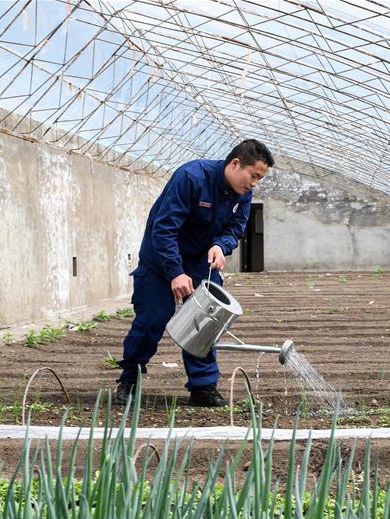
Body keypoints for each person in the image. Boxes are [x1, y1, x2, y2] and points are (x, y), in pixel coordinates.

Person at [115, 139, 274, 406]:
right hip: (160, 259)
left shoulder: (243, 194)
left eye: (260, 178)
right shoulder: (190, 177)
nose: (255, 183)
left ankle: (203, 387)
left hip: (202, 263)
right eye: (254, 175)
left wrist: (220, 246)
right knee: (153, 317)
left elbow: (235, 229)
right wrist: (175, 272)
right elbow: (164, 228)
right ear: (235, 164)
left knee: (206, 321)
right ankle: (130, 378)